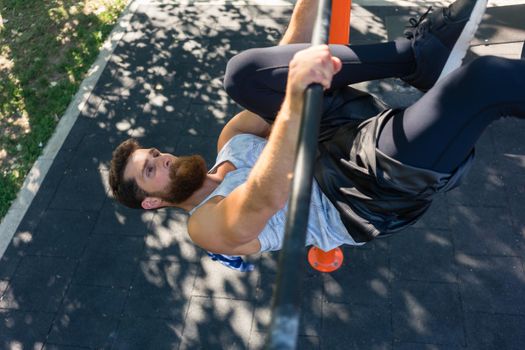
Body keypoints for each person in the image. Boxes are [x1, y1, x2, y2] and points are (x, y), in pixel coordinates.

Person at [109, 0, 524, 256]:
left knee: (244, 74)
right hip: (354, 195)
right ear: (152, 203)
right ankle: (430, 67)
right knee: (482, 80)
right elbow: (263, 200)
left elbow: (280, 60)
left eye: (154, 154)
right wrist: (294, 95)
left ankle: (419, 56)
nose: (162, 158)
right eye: (151, 170)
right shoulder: (205, 226)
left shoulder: (229, 142)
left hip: (334, 139)